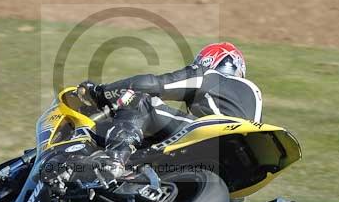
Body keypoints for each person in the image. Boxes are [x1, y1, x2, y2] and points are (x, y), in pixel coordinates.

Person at [78, 42, 262, 179]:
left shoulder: (208, 75)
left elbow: (152, 84)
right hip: (243, 165)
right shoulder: (254, 93)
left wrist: (101, 93)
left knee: (141, 101)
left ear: (208, 61)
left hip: (215, 136)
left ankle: (114, 160)